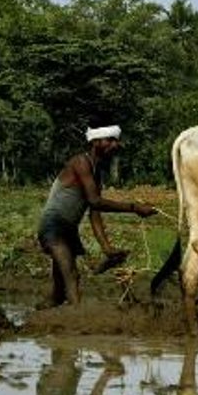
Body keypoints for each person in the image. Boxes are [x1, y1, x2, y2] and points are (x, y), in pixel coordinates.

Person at [37, 124, 157, 307]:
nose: (115, 145)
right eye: (110, 140)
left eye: (115, 141)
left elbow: (95, 213)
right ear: (95, 142)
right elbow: (95, 201)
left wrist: (107, 248)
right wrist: (134, 208)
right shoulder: (81, 163)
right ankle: (79, 318)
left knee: (59, 290)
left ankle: (43, 317)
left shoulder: (96, 172)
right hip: (54, 226)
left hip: (68, 229)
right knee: (71, 274)